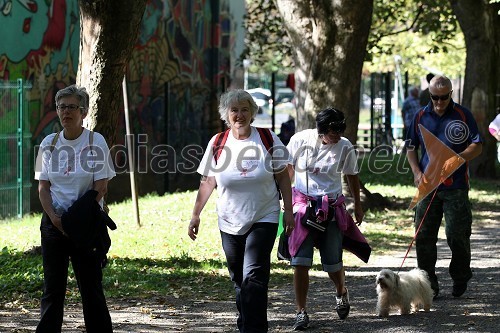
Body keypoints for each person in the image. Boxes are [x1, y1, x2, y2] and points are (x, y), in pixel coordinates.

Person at [188, 89, 294, 332]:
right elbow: (208, 181)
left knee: (254, 278)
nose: (239, 114)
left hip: (264, 216)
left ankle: (253, 329)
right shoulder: (217, 142)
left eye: (245, 109)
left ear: (253, 113)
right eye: (234, 110)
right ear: (226, 114)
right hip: (229, 220)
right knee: (239, 280)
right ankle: (246, 321)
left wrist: (288, 210)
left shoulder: (267, 139)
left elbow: (284, 176)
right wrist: (196, 214)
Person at [34, 85, 116, 332]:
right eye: (61, 107)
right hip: (54, 224)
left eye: (72, 107)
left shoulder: (95, 141)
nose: (66, 112)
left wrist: (74, 220)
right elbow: (43, 187)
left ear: (83, 112)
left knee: (91, 289)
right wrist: (56, 219)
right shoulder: (48, 143)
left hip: (85, 225)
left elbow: (100, 187)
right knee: (52, 290)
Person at [286, 107, 368, 330]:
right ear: (321, 130)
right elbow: (288, 169)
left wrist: (357, 206)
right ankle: (301, 311)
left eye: (341, 129)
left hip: (331, 208)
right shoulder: (299, 140)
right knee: (300, 262)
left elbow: (351, 175)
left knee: (332, 264)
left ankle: (341, 291)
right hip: (303, 206)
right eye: (333, 131)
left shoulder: (344, 146)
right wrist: (283, 200)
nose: (338, 135)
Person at [406, 75, 482, 299]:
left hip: (456, 186)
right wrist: (416, 172)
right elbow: (411, 147)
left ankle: (460, 275)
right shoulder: (420, 115)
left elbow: (477, 146)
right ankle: (429, 286)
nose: (439, 102)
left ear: (451, 94)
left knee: (457, 234)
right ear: (430, 95)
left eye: (443, 97)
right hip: (427, 186)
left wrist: (456, 158)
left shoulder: (463, 114)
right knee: (424, 236)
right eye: (434, 98)